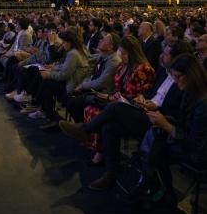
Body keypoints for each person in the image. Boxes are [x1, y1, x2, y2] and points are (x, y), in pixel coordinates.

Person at [58, 40, 194, 191]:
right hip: (149, 111)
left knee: (115, 107)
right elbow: (153, 94)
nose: (162, 56)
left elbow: (179, 114)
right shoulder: (164, 72)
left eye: (166, 54)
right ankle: (112, 173)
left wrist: (156, 109)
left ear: (176, 58)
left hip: (161, 124)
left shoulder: (183, 80)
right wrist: (145, 100)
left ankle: (85, 129)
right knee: (109, 126)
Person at [131, 53, 207, 201]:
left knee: (157, 144)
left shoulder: (203, 102)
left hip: (200, 154)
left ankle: (150, 187)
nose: (175, 81)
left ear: (191, 74)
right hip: (189, 141)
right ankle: (154, 189)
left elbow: (195, 145)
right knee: (156, 135)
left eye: (177, 77)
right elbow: (182, 121)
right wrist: (163, 119)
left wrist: (166, 125)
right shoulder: (190, 92)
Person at [81, 36, 155, 166]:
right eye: (121, 52)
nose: (122, 56)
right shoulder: (122, 65)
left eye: (125, 53)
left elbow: (132, 95)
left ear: (133, 52)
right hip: (118, 101)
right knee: (89, 109)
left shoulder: (143, 69)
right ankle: (96, 148)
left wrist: (110, 97)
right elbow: (118, 89)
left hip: (134, 108)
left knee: (97, 114)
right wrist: (109, 96)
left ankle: (97, 150)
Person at [29, 30, 90, 130]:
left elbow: (64, 75)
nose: (63, 44)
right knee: (47, 90)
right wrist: (52, 69)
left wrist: (49, 74)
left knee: (46, 81)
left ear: (70, 42)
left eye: (64, 42)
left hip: (72, 85)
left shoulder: (73, 53)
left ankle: (35, 101)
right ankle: (49, 119)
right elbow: (63, 66)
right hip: (70, 81)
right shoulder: (75, 50)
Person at [65, 33, 121, 123]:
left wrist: (83, 86)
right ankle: (82, 125)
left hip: (100, 92)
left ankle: (84, 128)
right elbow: (90, 73)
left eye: (104, 40)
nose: (100, 40)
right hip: (91, 87)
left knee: (71, 103)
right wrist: (83, 84)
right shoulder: (102, 56)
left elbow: (101, 82)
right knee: (66, 97)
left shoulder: (114, 61)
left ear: (110, 47)